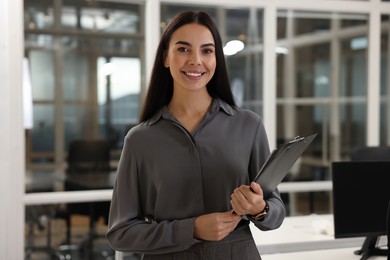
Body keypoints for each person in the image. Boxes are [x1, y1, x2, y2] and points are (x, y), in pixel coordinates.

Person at [106, 10, 286, 260]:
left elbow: (276, 210)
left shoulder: (249, 125)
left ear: (216, 59)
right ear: (165, 58)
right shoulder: (139, 140)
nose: (196, 60)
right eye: (183, 49)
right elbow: (121, 233)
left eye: (207, 51)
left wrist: (260, 209)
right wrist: (191, 229)